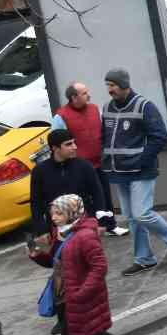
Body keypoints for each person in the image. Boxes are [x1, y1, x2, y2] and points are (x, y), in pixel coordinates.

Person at [28, 193, 138, 335]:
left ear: (72, 213)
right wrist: (37, 255)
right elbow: (56, 261)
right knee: (83, 333)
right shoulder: (60, 232)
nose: (54, 217)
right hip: (63, 293)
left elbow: (99, 267)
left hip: (77, 294)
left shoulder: (85, 236)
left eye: (59, 213)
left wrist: (82, 292)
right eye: (53, 213)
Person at [100, 68, 167, 276]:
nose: (109, 90)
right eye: (108, 85)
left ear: (124, 85)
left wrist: (141, 160)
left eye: (112, 85)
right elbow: (105, 136)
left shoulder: (144, 106)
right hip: (119, 171)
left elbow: (159, 136)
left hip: (140, 171)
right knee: (132, 217)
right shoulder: (107, 108)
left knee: (142, 214)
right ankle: (144, 258)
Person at [52, 82, 119, 234]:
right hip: (78, 166)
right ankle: (88, 229)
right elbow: (57, 140)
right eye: (84, 93)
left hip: (99, 161)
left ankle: (110, 226)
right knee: (85, 199)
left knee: (105, 194)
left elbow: (104, 131)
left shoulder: (95, 109)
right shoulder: (60, 116)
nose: (88, 95)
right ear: (73, 97)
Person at [29, 128, 106, 239]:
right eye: (68, 144)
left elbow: (97, 194)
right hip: (57, 228)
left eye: (74, 143)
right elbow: (36, 202)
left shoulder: (84, 166)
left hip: (85, 225)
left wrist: (101, 221)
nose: (74, 147)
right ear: (55, 148)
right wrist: (41, 230)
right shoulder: (40, 171)